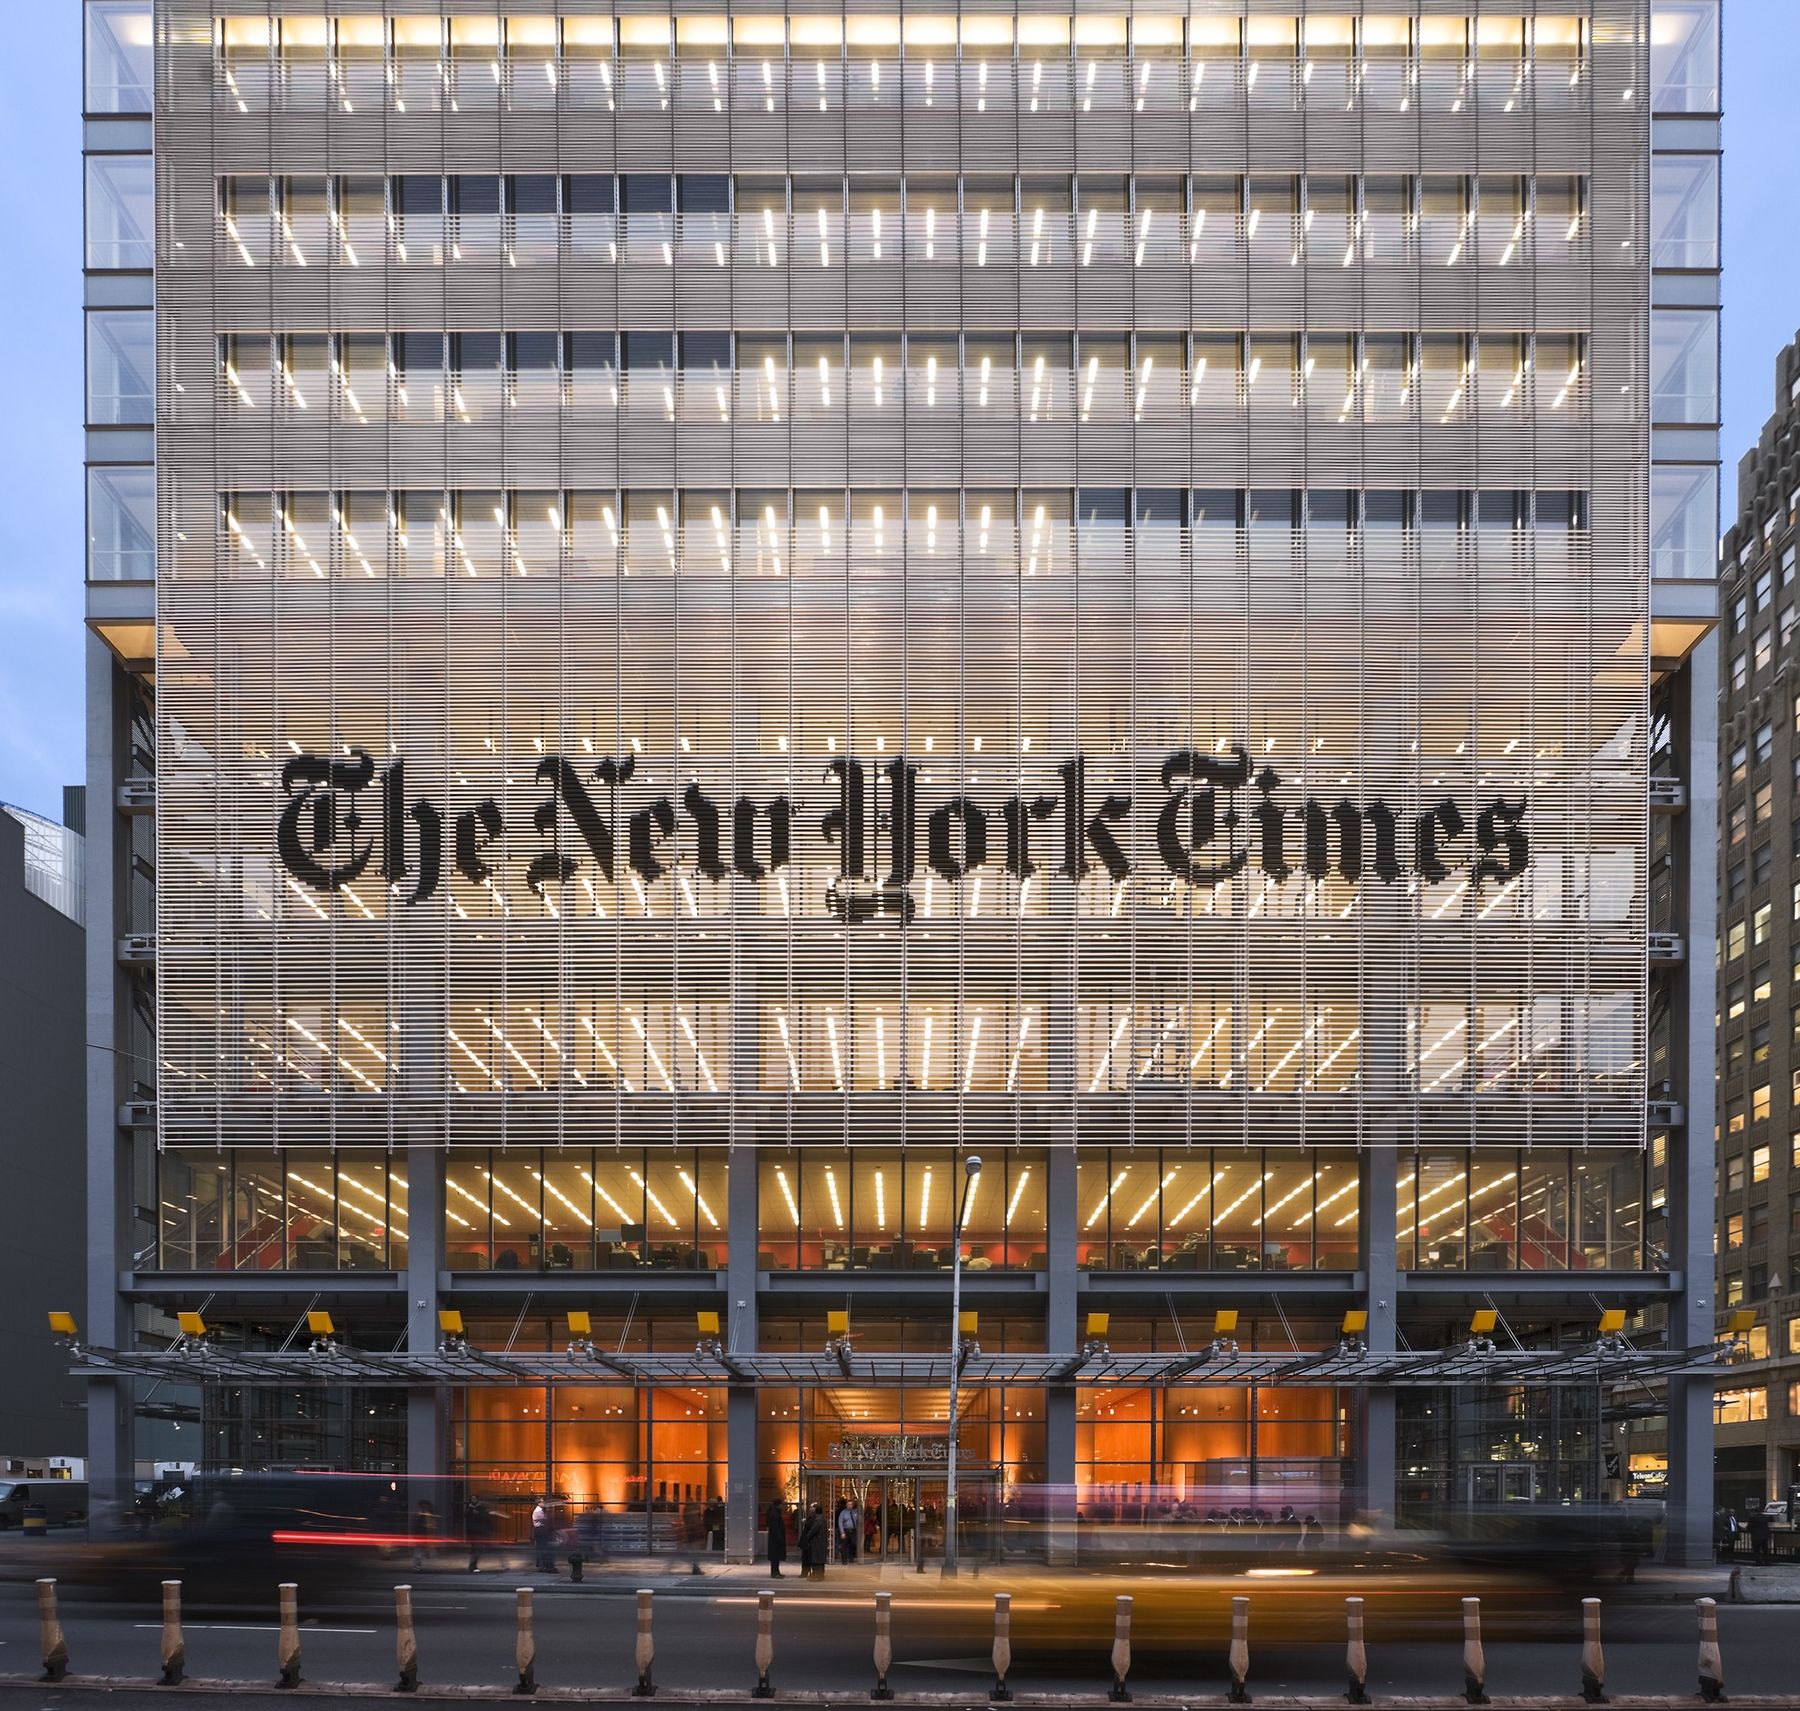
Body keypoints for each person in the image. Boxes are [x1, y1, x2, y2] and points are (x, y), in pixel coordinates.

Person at [798, 1501, 828, 1580]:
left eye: (812, 1507)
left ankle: (816, 1575)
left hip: (816, 1542)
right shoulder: (821, 1519)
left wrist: (807, 1536)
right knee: (817, 1559)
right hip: (819, 1542)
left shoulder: (817, 1519)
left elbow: (813, 1530)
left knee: (815, 1559)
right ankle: (819, 1575)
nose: (810, 1509)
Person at [465, 1497, 491, 1573]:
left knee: (476, 1550)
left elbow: (485, 1518)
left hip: (479, 1532)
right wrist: (471, 1509)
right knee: (475, 1550)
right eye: (472, 1499)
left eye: (474, 1499)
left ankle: (473, 1566)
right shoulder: (469, 1508)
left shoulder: (481, 1508)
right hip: (474, 1532)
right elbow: (466, 1515)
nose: (473, 1500)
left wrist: (478, 1513)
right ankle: (472, 1567)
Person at [765, 1496, 788, 1578]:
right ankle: (775, 1573)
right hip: (775, 1539)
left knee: (775, 1557)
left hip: (774, 1539)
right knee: (775, 1557)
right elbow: (776, 1527)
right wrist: (780, 1538)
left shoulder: (773, 1512)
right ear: (779, 1504)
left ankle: (776, 1572)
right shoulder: (775, 1514)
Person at [532, 1496, 555, 1573]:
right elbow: (545, 1520)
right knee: (542, 1548)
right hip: (540, 1530)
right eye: (542, 1502)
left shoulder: (541, 1510)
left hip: (541, 1530)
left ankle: (543, 1565)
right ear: (538, 1503)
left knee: (542, 1548)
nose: (544, 1503)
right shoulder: (538, 1511)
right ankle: (542, 1566)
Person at [413, 1499, 437, 1571]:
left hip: (423, 1535)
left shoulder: (422, 1515)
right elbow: (428, 1526)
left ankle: (417, 1566)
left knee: (420, 1551)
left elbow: (430, 1526)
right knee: (419, 1551)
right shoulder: (422, 1515)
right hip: (422, 1535)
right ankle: (417, 1567)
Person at [836, 1497, 858, 1564]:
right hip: (846, 1531)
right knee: (844, 1546)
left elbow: (858, 1520)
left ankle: (851, 1557)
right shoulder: (843, 1513)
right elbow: (840, 1522)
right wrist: (842, 1532)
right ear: (846, 1505)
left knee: (853, 1544)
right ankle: (844, 1560)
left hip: (853, 1531)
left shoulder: (855, 1512)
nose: (850, 1506)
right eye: (848, 1504)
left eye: (851, 1504)